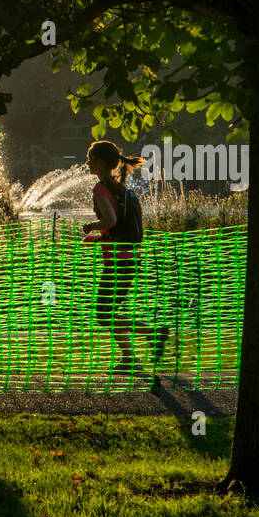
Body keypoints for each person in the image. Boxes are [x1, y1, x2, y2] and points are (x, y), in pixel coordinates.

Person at [83, 140, 169, 388]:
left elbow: (110, 221)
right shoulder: (119, 187)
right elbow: (118, 224)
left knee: (103, 314)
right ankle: (129, 357)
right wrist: (99, 238)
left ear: (100, 163)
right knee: (108, 312)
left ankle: (151, 334)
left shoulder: (101, 188)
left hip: (118, 263)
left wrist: (92, 226)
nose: (88, 163)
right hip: (128, 259)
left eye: (90, 158)